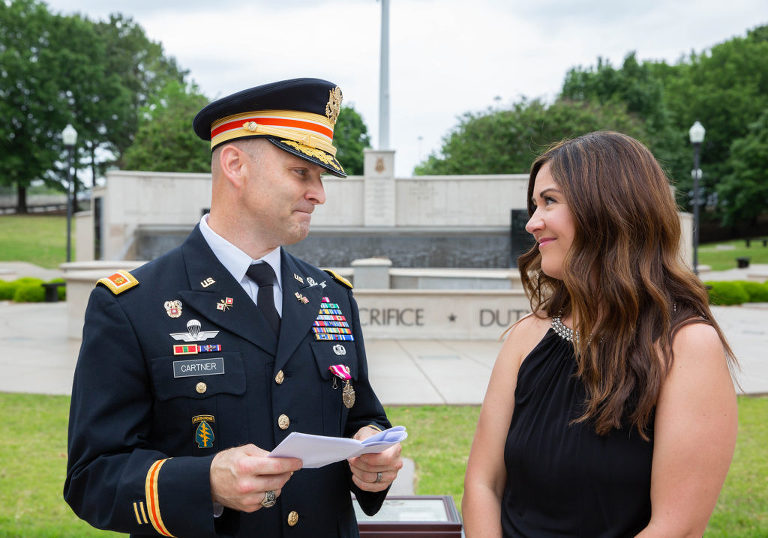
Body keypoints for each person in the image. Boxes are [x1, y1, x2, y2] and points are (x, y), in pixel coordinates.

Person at [64, 78, 403, 537]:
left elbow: (360, 414)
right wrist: (203, 483)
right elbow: (92, 478)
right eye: (301, 172)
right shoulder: (131, 304)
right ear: (235, 165)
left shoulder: (330, 295)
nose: (319, 193)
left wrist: (372, 455)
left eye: (320, 177)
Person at [462, 131, 738, 537]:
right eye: (534, 204)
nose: (532, 222)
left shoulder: (686, 347)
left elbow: (676, 527)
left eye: (549, 201)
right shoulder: (526, 337)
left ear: (607, 208)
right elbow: (483, 484)